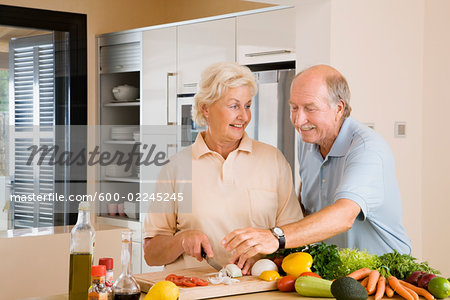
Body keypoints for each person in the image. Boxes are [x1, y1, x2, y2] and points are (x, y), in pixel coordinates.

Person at [222, 65, 411, 268]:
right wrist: (264, 251)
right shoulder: (308, 140)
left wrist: (274, 237)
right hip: (335, 271)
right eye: (294, 107)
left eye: (310, 108)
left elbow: (344, 216)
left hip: (384, 275)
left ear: (339, 108)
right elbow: (307, 206)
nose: (298, 120)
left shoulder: (367, 150)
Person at [143, 62, 302, 273]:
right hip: (193, 291)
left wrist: (264, 258)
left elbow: (295, 240)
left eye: (247, 106)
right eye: (234, 106)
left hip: (255, 290)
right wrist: (181, 240)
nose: (244, 117)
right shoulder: (175, 168)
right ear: (205, 108)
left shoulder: (273, 160)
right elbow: (151, 254)